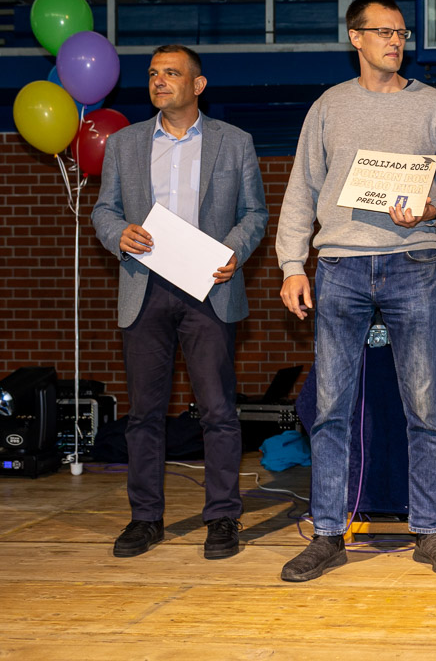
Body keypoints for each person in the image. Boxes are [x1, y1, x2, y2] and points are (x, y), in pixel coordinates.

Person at [275, 0, 436, 582]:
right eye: (384, 31)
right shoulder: (329, 107)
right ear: (355, 38)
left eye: (402, 33)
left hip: (413, 264)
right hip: (340, 267)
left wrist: (433, 209)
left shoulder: (434, 105)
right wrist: (292, 265)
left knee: (425, 407)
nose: (396, 41)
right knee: (330, 410)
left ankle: (430, 532)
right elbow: (301, 190)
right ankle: (328, 534)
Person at [92, 44, 268, 560]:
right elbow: (104, 210)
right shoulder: (124, 143)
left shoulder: (234, 141)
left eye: (171, 73)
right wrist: (118, 234)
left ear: (198, 85)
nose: (159, 81)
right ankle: (145, 518)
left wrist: (234, 250)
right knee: (144, 414)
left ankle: (222, 518)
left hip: (208, 288)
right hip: (144, 288)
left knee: (218, 411)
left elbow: (255, 213)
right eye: (153, 73)